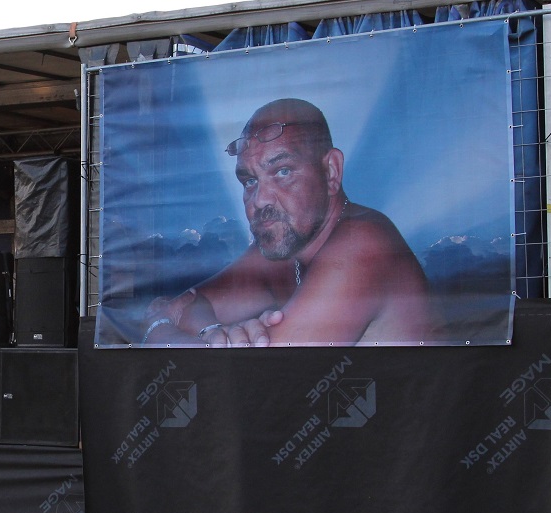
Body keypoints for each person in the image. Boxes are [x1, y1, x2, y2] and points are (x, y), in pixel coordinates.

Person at [141, 98, 436, 347]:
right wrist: (210, 332)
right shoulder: (285, 247)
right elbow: (179, 306)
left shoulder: (364, 242)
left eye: (283, 172)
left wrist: (164, 331)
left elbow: (258, 375)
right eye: (250, 180)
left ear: (331, 171)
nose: (260, 201)